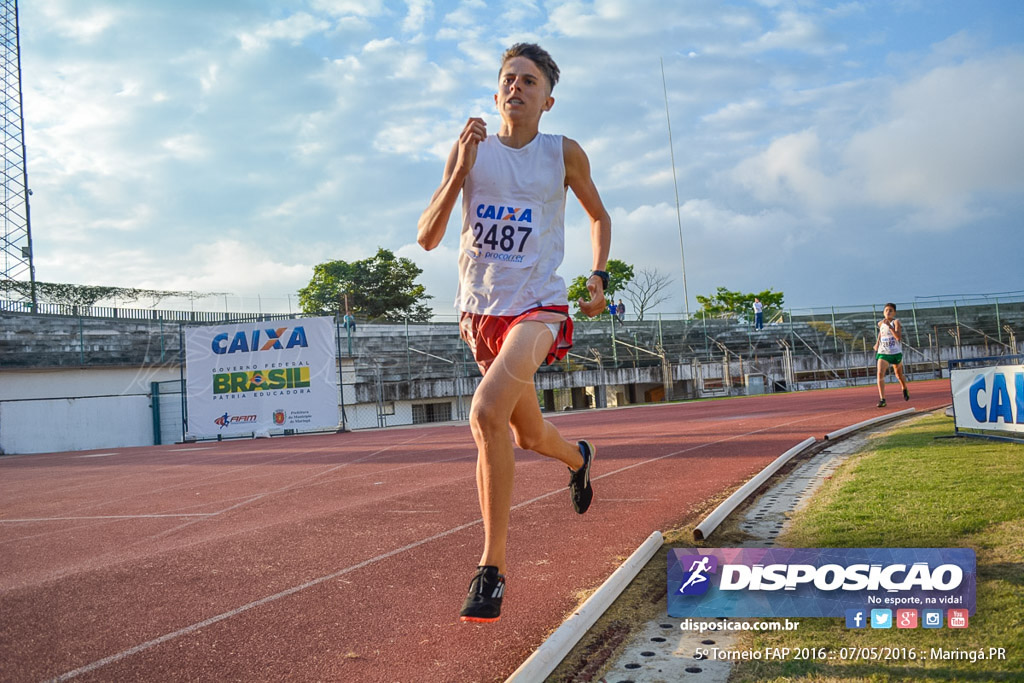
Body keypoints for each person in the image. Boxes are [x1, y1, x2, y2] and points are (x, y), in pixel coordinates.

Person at [416, 43, 611, 623]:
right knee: (525, 434)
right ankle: (578, 457)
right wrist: (458, 171)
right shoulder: (471, 150)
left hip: (539, 307)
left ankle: (491, 568)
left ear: (547, 100)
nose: (516, 87)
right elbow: (428, 238)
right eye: (508, 79)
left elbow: (599, 216)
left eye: (528, 81)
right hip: (481, 313)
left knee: (484, 413)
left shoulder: (563, 153)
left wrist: (597, 276)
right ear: (496, 91)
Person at [873, 302, 910, 407]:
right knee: (880, 373)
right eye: (886, 310)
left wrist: (890, 326)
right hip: (883, 352)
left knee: (898, 375)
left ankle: (904, 387)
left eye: (890, 310)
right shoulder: (880, 323)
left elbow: (898, 337)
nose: (888, 312)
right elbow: (881, 333)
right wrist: (877, 343)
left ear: (894, 313)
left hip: (895, 353)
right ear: (883, 312)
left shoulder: (896, 322)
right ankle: (882, 399)